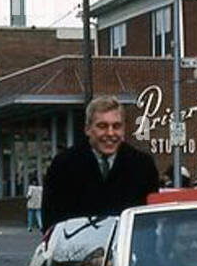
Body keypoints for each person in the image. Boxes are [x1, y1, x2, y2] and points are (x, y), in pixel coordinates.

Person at [42, 96, 161, 230]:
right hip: (78, 247)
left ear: (124, 129)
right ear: (87, 129)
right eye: (102, 126)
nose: (110, 133)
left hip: (127, 248)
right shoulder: (63, 165)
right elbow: (51, 221)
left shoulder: (143, 165)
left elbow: (150, 221)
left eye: (116, 126)